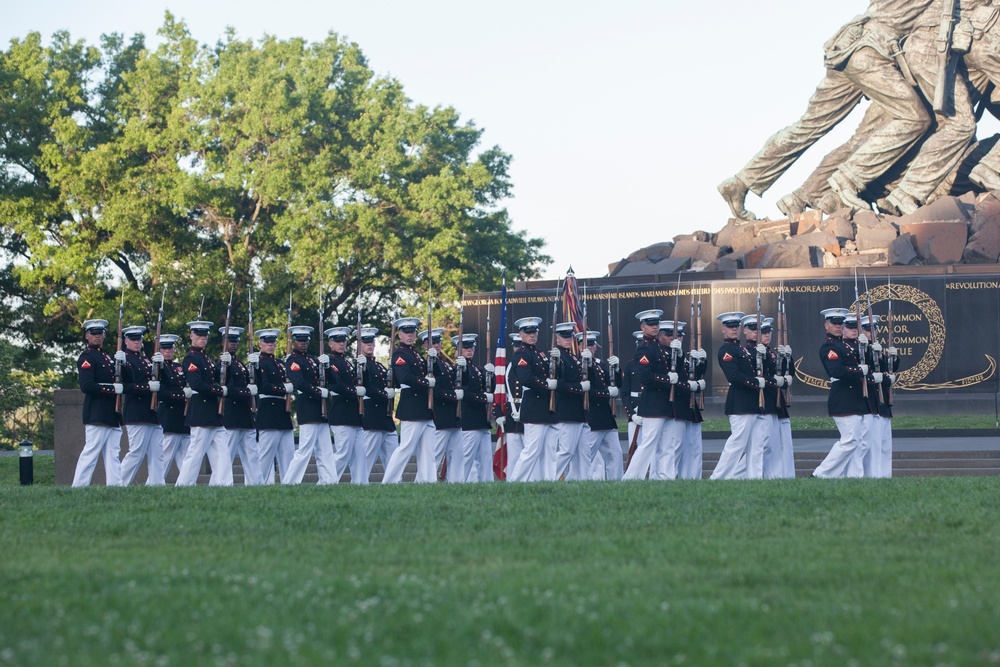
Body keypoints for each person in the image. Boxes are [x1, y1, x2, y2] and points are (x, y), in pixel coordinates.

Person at [718, 1, 934, 219]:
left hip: (850, 45)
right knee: (915, 118)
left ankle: (741, 182)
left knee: (807, 127)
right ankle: (847, 180)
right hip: (874, 53)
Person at [710, 312, 772, 480]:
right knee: (737, 444)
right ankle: (718, 478)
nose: (734, 329)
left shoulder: (743, 349)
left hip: (755, 403)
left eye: (736, 326)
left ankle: (754, 478)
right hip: (740, 403)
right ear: (723, 329)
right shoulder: (726, 350)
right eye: (730, 327)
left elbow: (763, 370)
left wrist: (764, 355)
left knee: (757, 445)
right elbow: (733, 375)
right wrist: (755, 383)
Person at [812, 308, 870, 478]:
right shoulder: (829, 346)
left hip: (855, 398)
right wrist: (860, 371)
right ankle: (821, 474)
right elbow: (836, 370)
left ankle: (849, 476)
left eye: (840, 323)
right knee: (849, 440)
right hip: (843, 397)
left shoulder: (843, 345)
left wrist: (866, 348)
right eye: (834, 323)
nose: (838, 326)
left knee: (857, 442)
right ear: (826, 325)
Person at [624, 309, 677, 481]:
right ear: (642, 327)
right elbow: (645, 377)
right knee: (648, 444)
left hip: (665, 403)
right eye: (650, 324)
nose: (654, 327)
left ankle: (666, 478)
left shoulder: (658, 347)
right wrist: (667, 379)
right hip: (653, 404)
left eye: (656, 324)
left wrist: (680, 354)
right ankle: (631, 478)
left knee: (667, 445)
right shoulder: (644, 349)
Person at [176, 319, 231, 486]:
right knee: (195, 453)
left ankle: (224, 485)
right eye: (199, 335)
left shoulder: (204, 358)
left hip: (214, 414)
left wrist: (223, 364)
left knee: (223, 453)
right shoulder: (191, 358)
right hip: (200, 411)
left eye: (205, 335)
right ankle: (183, 485)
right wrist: (219, 391)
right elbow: (197, 384)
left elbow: (214, 377)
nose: (203, 338)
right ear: (191, 335)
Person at [382, 317, 437, 484]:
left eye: (412, 332)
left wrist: (434, 360)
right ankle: (389, 481)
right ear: (399, 334)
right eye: (406, 332)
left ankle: (427, 482)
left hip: (425, 407)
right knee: (405, 448)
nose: (410, 335)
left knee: (428, 451)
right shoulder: (399, 354)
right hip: (412, 406)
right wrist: (426, 382)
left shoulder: (417, 354)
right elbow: (403, 377)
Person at [283, 325, 338, 484]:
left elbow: (333, 381)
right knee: (305, 450)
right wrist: (319, 392)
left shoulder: (314, 359)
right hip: (308, 409)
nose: (303, 343)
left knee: (325, 451)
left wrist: (327, 367)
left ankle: (329, 481)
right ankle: (290, 482)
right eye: (299, 340)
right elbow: (299, 383)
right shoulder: (293, 360)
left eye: (305, 340)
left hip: (321, 411)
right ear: (293, 341)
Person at [72, 319, 124, 487]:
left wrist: (123, 363)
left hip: (112, 413)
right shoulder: (87, 357)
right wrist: (112, 390)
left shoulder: (108, 357)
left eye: (99, 333)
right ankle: (79, 486)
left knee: (113, 454)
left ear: (104, 335)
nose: (97, 336)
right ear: (87, 336)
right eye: (93, 333)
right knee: (91, 452)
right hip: (97, 412)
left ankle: (115, 486)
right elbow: (87, 386)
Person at [508, 317, 558, 482]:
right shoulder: (521, 354)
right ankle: (516, 482)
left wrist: (557, 363)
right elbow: (526, 379)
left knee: (550, 449)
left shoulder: (540, 353)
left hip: (547, 406)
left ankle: (550, 482)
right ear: (520, 334)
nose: (532, 335)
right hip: (534, 405)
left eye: (534, 332)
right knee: (532, 450)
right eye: (528, 332)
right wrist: (547, 385)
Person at [118, 325, 165, 486]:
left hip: (152, 413)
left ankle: (157, 484)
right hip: (136, 412)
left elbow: (161, 381)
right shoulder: (124, 359)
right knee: (136, 452)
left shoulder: (145, 360)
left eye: (139, 339)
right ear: (126, 341)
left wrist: (162, 366)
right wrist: (147, 387)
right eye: (133, 339)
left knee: (158, 453)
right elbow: (126, 386)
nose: (136, 342)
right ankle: (119, 483)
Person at [216, 326, 262, 486]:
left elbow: (257, 383)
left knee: (252, 455)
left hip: (245, 416)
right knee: (226, 455)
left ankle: (256, 484)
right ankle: (220, 484)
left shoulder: (241, 364)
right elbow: (224, 388)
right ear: (223, 342)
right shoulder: (221, 364)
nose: (233, 343)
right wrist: (246, 391)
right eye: (230, 340)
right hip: (231, 415)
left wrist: (257, 368)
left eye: (235, 341)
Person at [251, 328, 296, 484]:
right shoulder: (259, 362)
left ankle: (289, 484)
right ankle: (258, 484)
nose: (270, 345)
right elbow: (263, 386)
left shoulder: (281, 363)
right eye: (266, 342)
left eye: (272, 342)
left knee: (288, 455)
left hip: (283, 411)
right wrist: (283, 388)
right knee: (265, 456)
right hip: (268, 411)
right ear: (260, 344)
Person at [323, 326, 366, 484]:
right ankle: (327, 482)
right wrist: (355, 391)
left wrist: (364, 368)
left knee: (360, 455)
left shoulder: (346, 362)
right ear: (330, 343)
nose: (341, 343)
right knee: (343, 453)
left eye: (343, 340)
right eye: (337, 341)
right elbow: (336, 385)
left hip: (354, 415)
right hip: (342, 414)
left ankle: (361, 485)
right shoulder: (331, 362)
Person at [578, 331, 623, 480]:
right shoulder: (578, 366)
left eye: (593, 345)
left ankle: (616, 484)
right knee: (586, 455)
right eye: (587, 344)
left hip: (606, 417)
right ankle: (578, 480)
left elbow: (617, 383)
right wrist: (607, 394)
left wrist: (616, 369)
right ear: (579, 346)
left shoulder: (601, 364)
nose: (591, 348)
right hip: (590, 417)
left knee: (615, 454)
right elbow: (587, 392)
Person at [358, 326, 398, 482]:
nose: (369, 345)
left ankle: (394, 483)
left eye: (371, 342)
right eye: (365, 342)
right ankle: (360, 483)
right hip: (372, 416)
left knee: (393, 457)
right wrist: (384, 394)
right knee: (367, 457)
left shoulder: (380, 366)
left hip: (385, 418)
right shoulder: (360, 364)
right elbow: (366, 388)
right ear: (360, 344)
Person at [863, 315, 900, 477]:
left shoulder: (876, 348)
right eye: (868, 329)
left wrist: (894, 358)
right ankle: (874, 476)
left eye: (875, 329)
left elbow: (887, 367)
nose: (872, 332)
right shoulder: (862, 349)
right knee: (873, 446)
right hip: (871, 402)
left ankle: (885, 476)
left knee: (885, 446)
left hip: (883, 402)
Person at [454, 333, 494, 482]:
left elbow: (490, 388)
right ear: (458, 350)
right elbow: (464, 393)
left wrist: (492, 375)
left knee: (486, 457)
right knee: (467, 456)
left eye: (471, 347)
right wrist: (483, 398)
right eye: (465, 347)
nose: (469, 350)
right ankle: (460, 481)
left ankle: (487, 483)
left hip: (481, 420)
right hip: (469, 418)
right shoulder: (459, 369)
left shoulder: (477, 369)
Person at [673, 325, 707, 480]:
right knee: (676, 447)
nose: (679, 338)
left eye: (681, 336)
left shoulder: (686, 360)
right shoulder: (669, 358)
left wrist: (702, 362)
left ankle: (692, 478)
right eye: (676, 336)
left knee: (694, 448)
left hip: (690, 408)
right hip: (677, 407)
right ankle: (671, 476)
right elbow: (674, 382)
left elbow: (696, 376)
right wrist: (689, 385)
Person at [156, 334, 190, 482]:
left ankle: (186, 484)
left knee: (186, 458)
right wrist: (182, 394)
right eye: (164, 348)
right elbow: (161, 394)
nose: (167, 351)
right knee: (165, 457)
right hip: (169, 417)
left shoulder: (178, 367)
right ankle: (155, 483)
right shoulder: (157, 368)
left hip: (183, 418)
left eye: (170, 348)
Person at [495, 333, 525, 480]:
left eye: (521, 345)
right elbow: (498, 393)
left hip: (527, 413)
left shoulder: (530, 365)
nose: (519, 348)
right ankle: (512, 482)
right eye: (516, 345)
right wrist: (498, 413)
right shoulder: (505, 369)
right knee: (513, 455)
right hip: (511, 416)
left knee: (529, 452)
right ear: (513, 347)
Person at [620, 331, 643, 472]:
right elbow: (625, 393)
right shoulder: (630, 365)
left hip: (650, 409)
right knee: (633, 447)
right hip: (635, 410)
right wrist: (631, 414)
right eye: (639, 344)